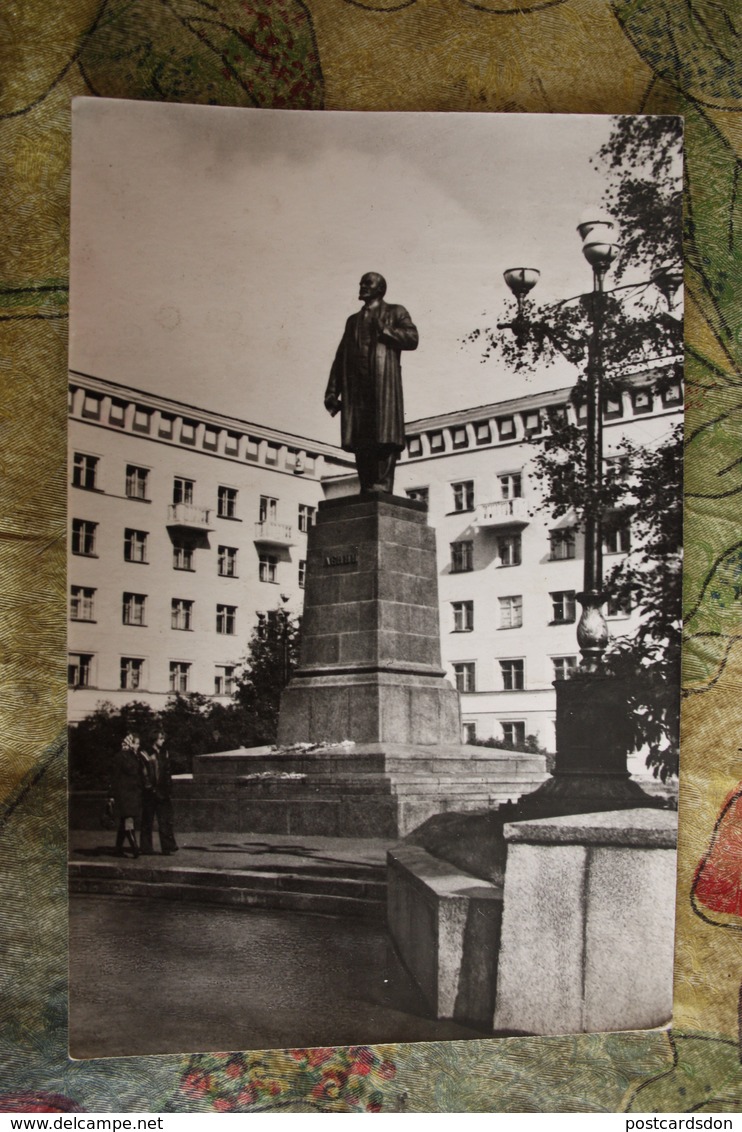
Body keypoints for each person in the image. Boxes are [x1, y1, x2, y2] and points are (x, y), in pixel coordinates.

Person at [325, 272, 418, 495]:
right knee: (361, 436)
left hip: (383, 385)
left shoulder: (396, 311)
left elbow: (412, 338)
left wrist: (385, 331)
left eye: (367, 283)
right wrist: (331, 391)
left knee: (384, 435)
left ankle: (383, 485)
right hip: (356, 388)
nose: (362, 286)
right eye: (361, 283)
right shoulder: (353, 321)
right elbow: (341, 357)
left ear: (380, 288)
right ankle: (367, 484)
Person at [140, 730, 178, 856]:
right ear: (154, 739)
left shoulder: (164, 753)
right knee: (147, 820)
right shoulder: (145, 753)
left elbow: (167, 772)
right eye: (161, 738)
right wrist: (150, 788)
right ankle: (146, 847)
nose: (163, 740)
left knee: (165, 820)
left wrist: (168, 788)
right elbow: (144, 774)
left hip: (162, 791)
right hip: (150, 792)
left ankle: (167, 847)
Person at [109, 732, 142, 858]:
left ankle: (118, 849)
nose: (137, 746)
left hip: (133, 794)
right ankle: (135, 849)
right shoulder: (120, 757)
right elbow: (114, 777)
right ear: (129, 743)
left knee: (125, 821)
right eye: (135, 743)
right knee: (128, 820)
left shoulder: (135, 756)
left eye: (138, 744)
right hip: (124, 794)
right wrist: (111, 795)